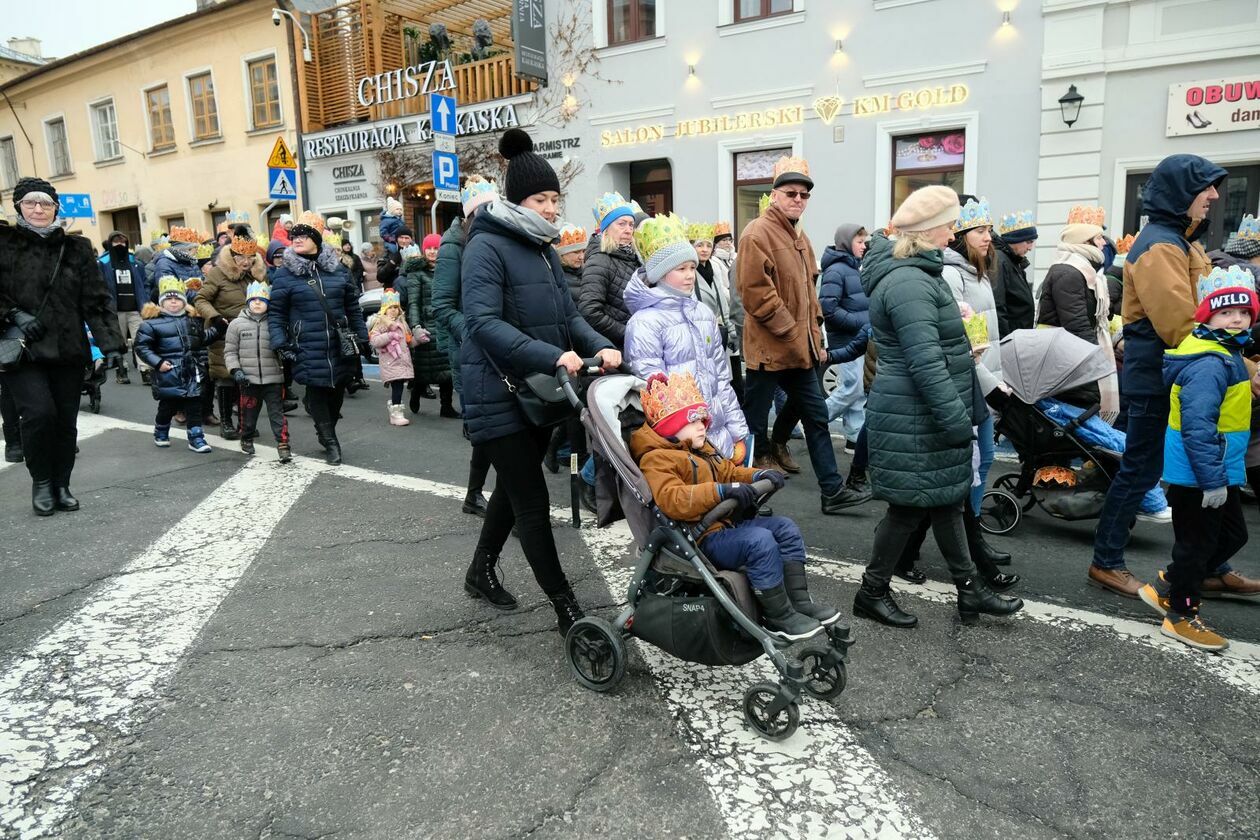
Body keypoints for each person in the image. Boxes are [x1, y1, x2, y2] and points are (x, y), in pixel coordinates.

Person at [460, 127, 620, 636]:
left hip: (537, 390)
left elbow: (570, 315)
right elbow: (483, 324)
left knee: (514, 485)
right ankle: (565, 608)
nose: (552, 208)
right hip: (499, 389)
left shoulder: (544, 248)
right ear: (518, 200)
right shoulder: (485, 246)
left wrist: (602, 347)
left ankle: (479, 569)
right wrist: (557, 357)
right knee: (531, 501)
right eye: (541, 198)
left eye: (555, 198)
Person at [1089, 154, 1260, 599]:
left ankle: (1210, 564)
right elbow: (1182, 324)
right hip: (1160, 379)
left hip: (1185, 375)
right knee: (1141, 470)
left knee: (1192, 475)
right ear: (1183, 192)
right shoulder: (1161, 245)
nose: (1215, 196)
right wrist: (1244, 368)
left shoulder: (1182, 241)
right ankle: (1106, 561)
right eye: (1206, 187)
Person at [855, 185, 1023, 628]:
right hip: (917, 412)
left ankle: (970, 592)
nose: (954, 235)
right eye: (949, 226)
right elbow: (924, 362)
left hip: (920, 409)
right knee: (909, 509)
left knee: (946, 500)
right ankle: (871, 592)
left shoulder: (918, 274)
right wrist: (955, 421)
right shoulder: (910, 280)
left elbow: (933, 350)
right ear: (928, 231)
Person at [630, 371, 838, 641]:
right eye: (693, 421)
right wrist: (720, 492)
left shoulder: (702, 449)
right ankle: (778, 616)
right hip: (700, 537)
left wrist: (756, 476)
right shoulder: (657, 459)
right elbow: (673, 499)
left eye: (703, 419)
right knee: (759, 541)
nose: (703, 425)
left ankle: (798, 601)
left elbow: (729, 472)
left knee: (785, 528)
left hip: (725, 525)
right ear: (670, 427)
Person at [738, 156, 868, 513]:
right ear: (774, 195)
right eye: (791, 193)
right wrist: (791, 330)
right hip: (768, 351)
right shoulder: (756, 233)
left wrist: (814, 337)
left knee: (816, 418)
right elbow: (755, 294)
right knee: (751, 426)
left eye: (804, 195)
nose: (798, 199)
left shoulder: (800, 236)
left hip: (799, 351)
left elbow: (811, 296)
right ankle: (743, 495)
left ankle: (832, 491)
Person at [1138, 265, 1256, 651]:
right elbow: (1198, 427)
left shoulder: (1227, 352)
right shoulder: (1210, 362)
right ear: (1209, 316)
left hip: (1218, 469)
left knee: (1232, 535)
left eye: (1243, 311)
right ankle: (1181, 614)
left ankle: (1170, 583)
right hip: (1199, 476)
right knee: (1197, 546)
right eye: (1225, 312)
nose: (1236, 317)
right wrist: (1211, 481)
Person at [0, 176, 123, 515]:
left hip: (68, 348)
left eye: (45, 203)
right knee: (39, 414)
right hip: (22, 349)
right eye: (31, 202)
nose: (38, 209)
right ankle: (41, 482)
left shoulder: (77, 248)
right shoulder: (4, 243)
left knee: (66, 421)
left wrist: (111, 345)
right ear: (19, 207)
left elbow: (96, 300)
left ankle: (62, 484)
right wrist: (14, 315)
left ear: (55, 208)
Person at [623, 214, 749, 460]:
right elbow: (654, 389)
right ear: (660, 274)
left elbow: (721, 381)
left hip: (717, 436)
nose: (690, 275)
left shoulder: (702, 313)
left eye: (692, 267)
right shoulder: (645, 322)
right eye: (681, 269)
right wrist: (686, 433)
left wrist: (737, 432)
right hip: (679, 442)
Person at [267, 214, 368, 466]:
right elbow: (276, 313)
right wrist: (280, 343)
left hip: (338, 341)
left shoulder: (338, 269)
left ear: (316, 239)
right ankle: (330, 439)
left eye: (303, 235)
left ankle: (326, 427)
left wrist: (362, 336)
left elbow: (352, 306)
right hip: (306, 343)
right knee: (318, 388)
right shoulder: (284, 274)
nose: (297, 240)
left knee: (337, 391)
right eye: (294, 236)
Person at [941, 198, 1011, 549]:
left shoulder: (979, 274)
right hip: (967, 386)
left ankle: (974, 533)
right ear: (961, 235)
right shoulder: (953, 275)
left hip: (983, 382)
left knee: (984, 461)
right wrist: (990, 385)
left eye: (988, 231)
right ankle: (966, 539)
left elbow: (985, 337)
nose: (987, 237)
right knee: (970, 465)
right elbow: (963, 343)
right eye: (980, 231)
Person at [432, 175, 500, 517]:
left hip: (498, 349)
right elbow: (441, 305)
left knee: (495, 430)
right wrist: (474, 331)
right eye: (486, 209)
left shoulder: (491, 240)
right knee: (491, 429)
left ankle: (479, 496)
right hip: (471, 352)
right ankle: (495, 501)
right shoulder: (453, 245)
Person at [1037, 206, 1119, 421]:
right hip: (1068, 359)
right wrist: (1098, 357)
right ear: (1086, 241)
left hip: (1074, 356)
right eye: (1099, 237)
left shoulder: (1082, 270)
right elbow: (1076, 324)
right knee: (1077, 413)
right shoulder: (1069, 272)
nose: (1104, 242)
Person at [134, 276, 224, 454]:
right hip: (169, 372)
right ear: (161, 303)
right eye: (169, 299)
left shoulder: (192, 321)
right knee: (168, 406)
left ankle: (196, 437)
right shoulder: (151, 325)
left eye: (177, 299)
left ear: (184, 301)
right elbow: (141, 347)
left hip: (192, 371)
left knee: (194, 406)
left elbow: (201, 340)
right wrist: (158, 363)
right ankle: (161, 430)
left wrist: (218, 329)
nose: (173, 302)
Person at [196, 229, 268, 440]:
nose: (245, 262)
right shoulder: (218, 273)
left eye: (250, 257)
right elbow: (201, 299)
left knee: (249, 381)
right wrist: (215, 317)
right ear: (232, 255)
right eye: (241, 257)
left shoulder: (257, 275)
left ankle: (245, 423)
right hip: (225, 333)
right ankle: (226, 423)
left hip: (251, 334)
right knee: (226, 380)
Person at [543, 222, 593, 479]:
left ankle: (554, 448)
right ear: (562, 253)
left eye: (582, 252)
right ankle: (576, 457)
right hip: (567, 351)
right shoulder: (557, 278)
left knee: (579, 404)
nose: (580, 256)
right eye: (574, 252)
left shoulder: (584, 274)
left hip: (585, 350)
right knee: (574, 409)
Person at [224, 280, 289, 461]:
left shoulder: (275, 323)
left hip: (274, 378)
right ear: (247, 302)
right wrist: (235, 370)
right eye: (253, 300)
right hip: (248, 380)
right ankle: (246, 437)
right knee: (248, 414)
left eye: (262, 300)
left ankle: (283, 444)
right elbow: (230, 351)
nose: (258, 303)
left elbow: (284, 345)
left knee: (277, 414)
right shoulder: (236, 324)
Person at [819, 224, 869, 447]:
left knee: (859, 390)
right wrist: (860, 322)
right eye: (859, 242)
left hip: (860, 336)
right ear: (847, 243)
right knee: (853, 386)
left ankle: (854, 436)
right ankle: (815, 418)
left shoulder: (857, 267)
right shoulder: (836, 270)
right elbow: (828, 309)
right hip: (845, 338)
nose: (864, 245)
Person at [399, 234, 455, 417]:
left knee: (448, 369)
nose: (432, 252)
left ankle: (446, 407)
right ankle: (416, 392)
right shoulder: (416, 271)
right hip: (426, 326)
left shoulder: (448, 269)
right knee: (425, 368)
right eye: (429, 248)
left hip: (445, 323)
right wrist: (415, 326)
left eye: (436, 248)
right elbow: (413, 302)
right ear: (424, 250)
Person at [579, 191, 640, 350]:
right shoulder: (599, 260)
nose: (628, 230)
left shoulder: (634, 258)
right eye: (621, 224)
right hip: (616, 349)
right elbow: (589, 312)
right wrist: (628, 333)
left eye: (631, 224)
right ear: (606, 229)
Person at [690, 222, 743, 399]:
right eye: (699, 245)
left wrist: (731, 330)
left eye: (708, 245)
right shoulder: (689, 271)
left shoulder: (712, 269)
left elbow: (723, 302)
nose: (704, 249)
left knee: (727, 383)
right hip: (700, 335)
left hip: (719, 332)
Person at [97, 230, 151, 385]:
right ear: (110, 244)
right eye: (116, 242)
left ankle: (145, 370)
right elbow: (98, 286)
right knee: (119, 342)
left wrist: (144, 300)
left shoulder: (135, 262)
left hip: (135, 309)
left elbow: (145, 283)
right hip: (114, 310)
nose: (120, 245)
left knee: (141, 340)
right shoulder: (103, 263)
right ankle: (121, 370)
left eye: (123, 242)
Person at [370, 288, 427, 426]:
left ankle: (395, 409)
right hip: (391, 362)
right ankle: (396, 414)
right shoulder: (381, 323)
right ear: (384, 309)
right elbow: (374, 341)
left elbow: (408, 342)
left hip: (402, 361)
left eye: (396, 307)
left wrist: (418, 339)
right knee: (397, 387)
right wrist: (389, 336)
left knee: (400, 386)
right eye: (390, 308)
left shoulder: (402, 323)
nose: (394, 310)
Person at [992, 211, 1038, 336]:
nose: (1030, 248)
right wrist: (1006, 341)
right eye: (1028, 242)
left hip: (1019, 337)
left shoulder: (1014, 260)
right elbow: (998, 306)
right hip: (1011, 340)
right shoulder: (1000, 260)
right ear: (1015, 239)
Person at [377, 225, 413, 289]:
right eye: (401, 237)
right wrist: (392, 263)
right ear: (396, 239)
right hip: (391, 294)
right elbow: (380, 277)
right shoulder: (388, 253)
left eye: (406, 238)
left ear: (410, 240)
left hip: (410, 292)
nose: (403, 241)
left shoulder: (415, 253)